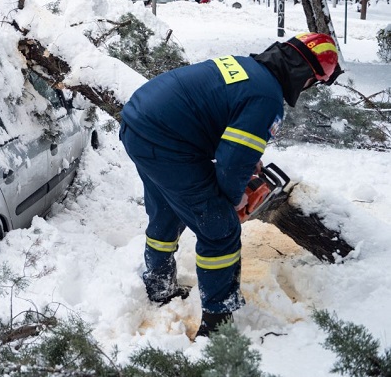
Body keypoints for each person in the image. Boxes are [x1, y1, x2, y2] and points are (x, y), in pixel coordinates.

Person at [119, 33, 342, 338]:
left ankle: (159, 285)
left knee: (168, 212)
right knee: (220, 229)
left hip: (138, 124)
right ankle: (218, 324)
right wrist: (233, 198)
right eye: (312, 82)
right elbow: (231, 163)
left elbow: (221, 121)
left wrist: (251, 161)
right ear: (305, 75)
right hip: (167, 143)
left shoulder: (246, 67)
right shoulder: (267, 99)